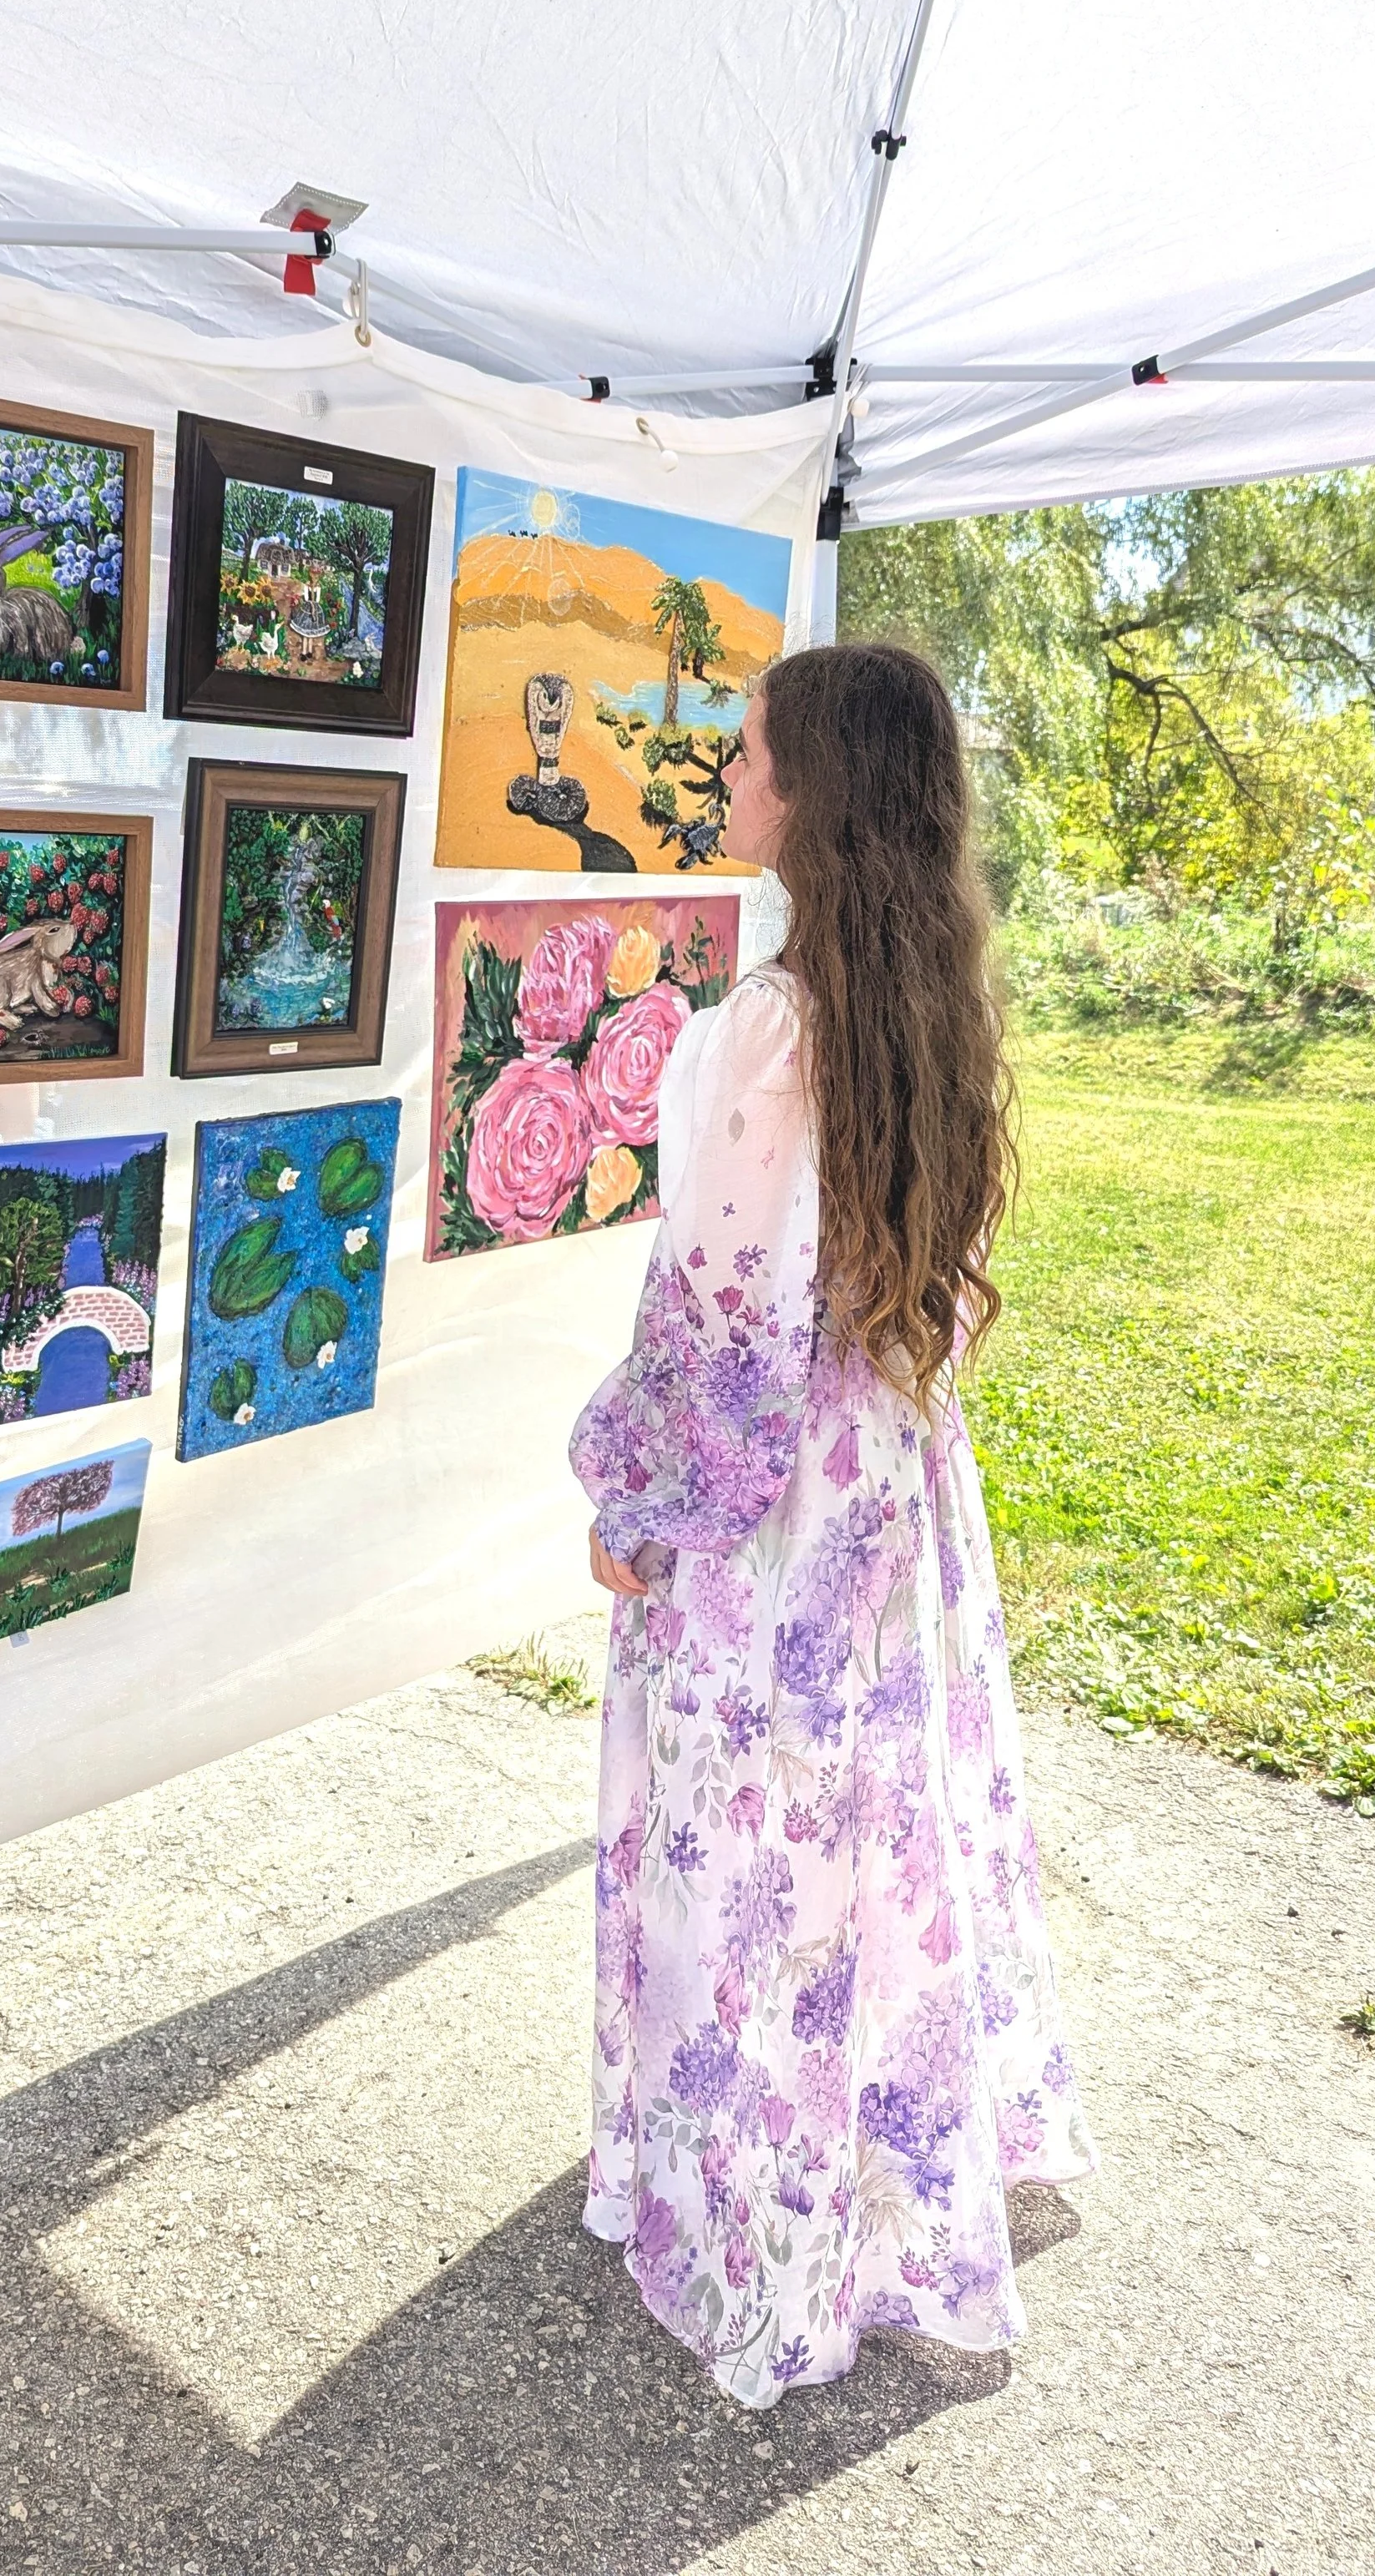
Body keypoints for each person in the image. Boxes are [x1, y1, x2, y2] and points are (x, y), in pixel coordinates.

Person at [571, 640, 1095, 2408]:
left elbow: (715, 1315)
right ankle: (858, 2153)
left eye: (745, 757)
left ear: (814, 793)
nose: (724, 782)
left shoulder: (778, 1022)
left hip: (777, 1497)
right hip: (884, 1473)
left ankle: (763, 2200)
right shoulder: (926, 992)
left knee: (758, 1828)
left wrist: (635, 1504)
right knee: (866, 1808)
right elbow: (908, 1280)